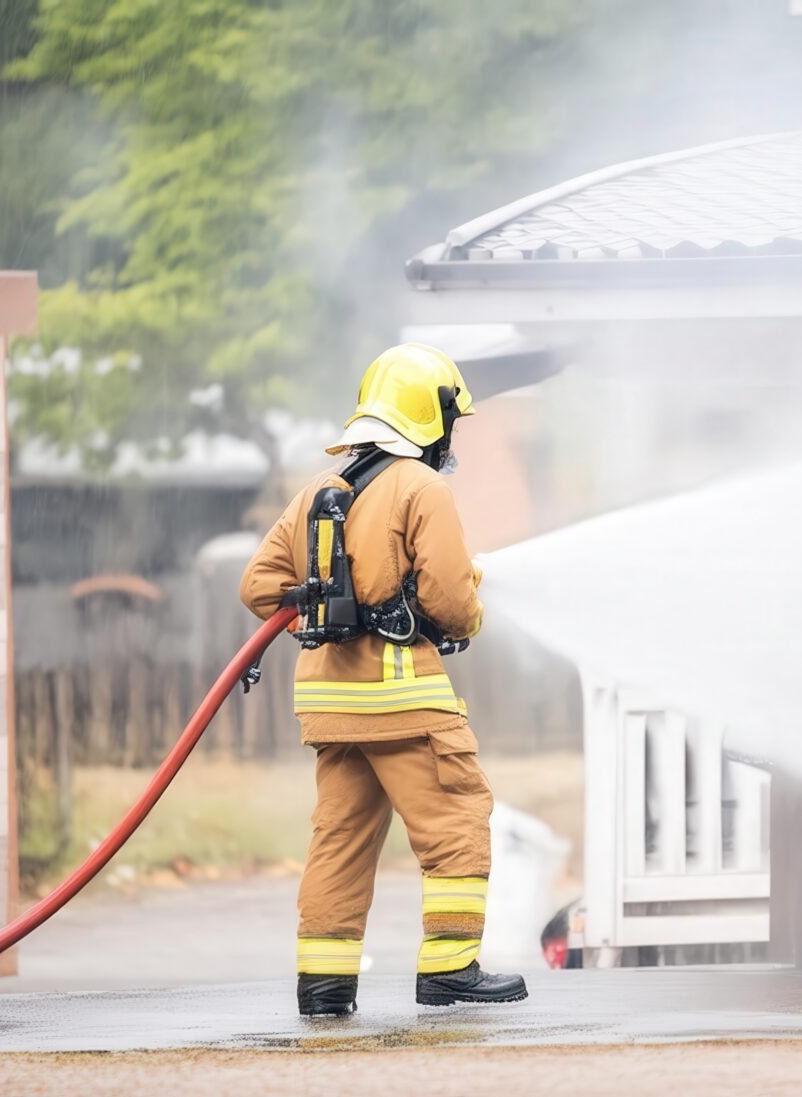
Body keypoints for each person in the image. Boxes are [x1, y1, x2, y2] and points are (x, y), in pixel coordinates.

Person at [240, 343, 526, 1014]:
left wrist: (326, 611)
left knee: (340, 839)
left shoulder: (320, 491)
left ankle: (325, 985)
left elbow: (258, 586)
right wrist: (461, 612)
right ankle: (451, 967)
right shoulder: (422, 488)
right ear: (430, 416)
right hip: (402, 700)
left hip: (328, 707)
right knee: (458, 814)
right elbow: (453, 602)